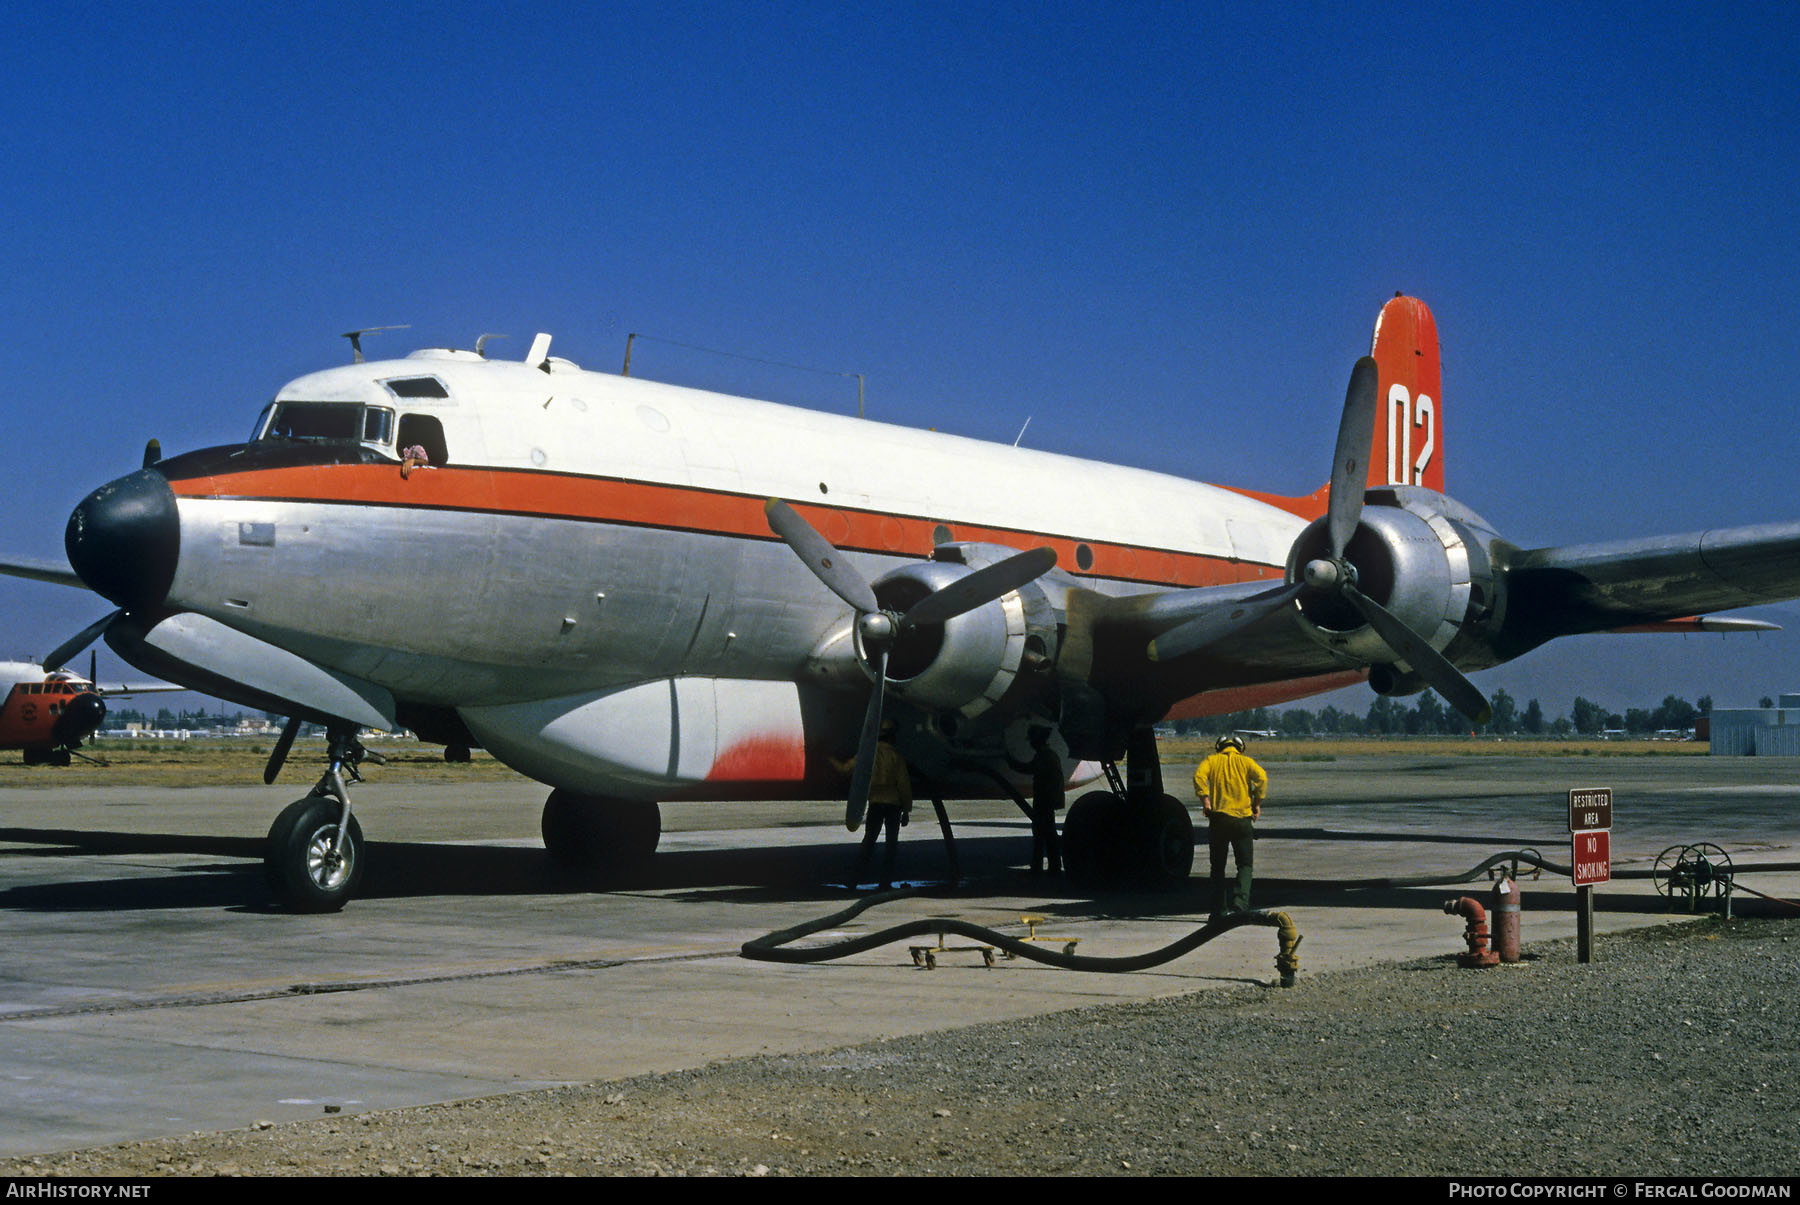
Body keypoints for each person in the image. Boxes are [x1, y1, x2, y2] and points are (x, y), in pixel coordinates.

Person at [1193, 733, 1268, 918]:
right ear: (1239, 748)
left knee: (1217, 867)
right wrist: (1256, 804)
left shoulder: (1211, 760)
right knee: (1244, 865)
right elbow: (1262, 778)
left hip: (1219, 820)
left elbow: (1199, 777)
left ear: (1219, 747)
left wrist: (1206, 800)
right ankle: (1240, 905)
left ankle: (1218, 910)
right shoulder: (1246, 762)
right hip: (1242, 821)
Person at [853, 724, 913, 889]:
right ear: (891, 738)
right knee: (891, 844)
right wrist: (906, 810)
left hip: (876, 803)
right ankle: (885, 881)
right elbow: (904, 785)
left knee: (869, 841)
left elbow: (848, 768)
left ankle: (855, 878)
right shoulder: (896, 756)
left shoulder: (869, 755)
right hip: (893, 805)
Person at [1027, 727, 1064, 875]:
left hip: (1044, 802)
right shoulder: (1048, 755)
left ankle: (1043, 867)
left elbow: (1029, 769)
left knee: (1042, 835)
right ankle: (1052, 866)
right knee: (1047, 835)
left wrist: (1009, 760)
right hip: (1047, 801)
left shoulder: (1045, 757)